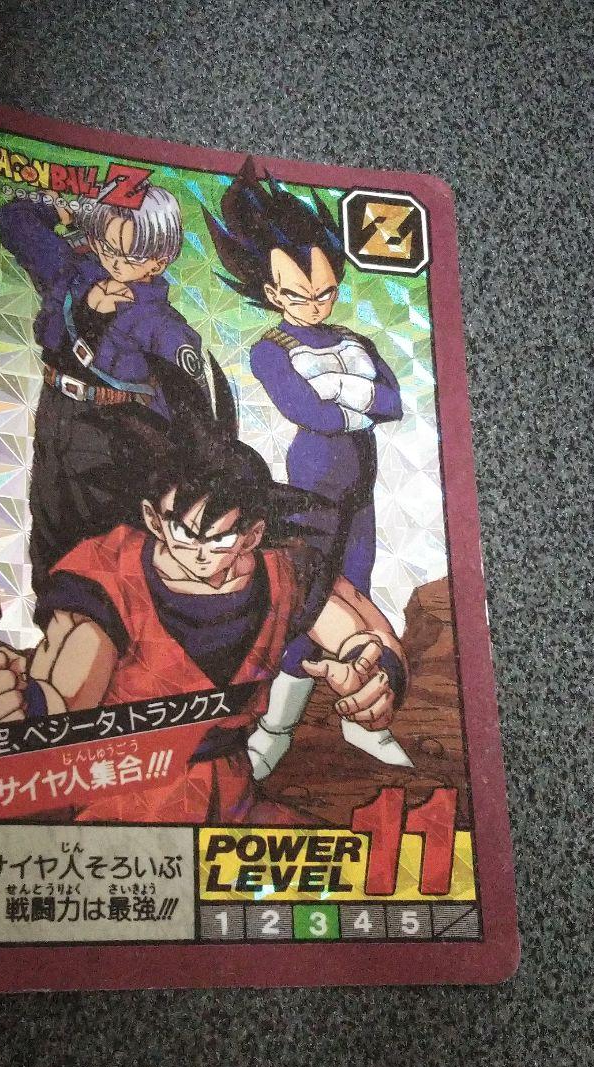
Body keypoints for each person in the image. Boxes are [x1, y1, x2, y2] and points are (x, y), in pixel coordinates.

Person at [0, 410, 408, 826]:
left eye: (220, 537)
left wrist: (375, 678)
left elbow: (365, 633)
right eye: (184, 532)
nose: (201, 553)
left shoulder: (284, 572)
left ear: (252, 535)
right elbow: (67, 696)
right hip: (126, 811)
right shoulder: (108, 576)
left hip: (235, 802)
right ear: (154, 519)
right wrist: (20, 706)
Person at [200, 158, 411, 771]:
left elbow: (393, 402)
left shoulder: (357, 341)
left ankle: (359, 724)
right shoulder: (271, 347)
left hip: (361, 483)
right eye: (298, 294)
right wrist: (357, 401)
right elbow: (307, 410)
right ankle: (276, 729)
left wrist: (344, 398)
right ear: (272, 294)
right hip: (314, 479)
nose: (315, 305)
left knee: (357, 587)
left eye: (325, 292)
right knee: (309, 602)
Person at [0, 184, 211, 594]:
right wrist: (70, 210)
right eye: (107, 245)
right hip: (57, 411)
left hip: (116, 434)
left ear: (159, 260)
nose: (115, 260)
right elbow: (14, 220)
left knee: (104, 544)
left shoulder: (162, 325)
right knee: (48, 526)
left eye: (131, 254)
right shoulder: (72, 272)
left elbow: (190, 410)